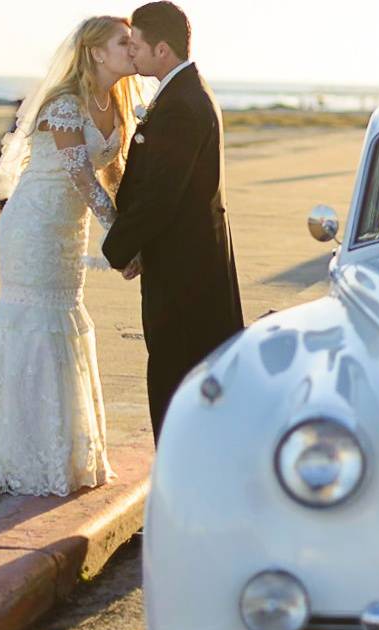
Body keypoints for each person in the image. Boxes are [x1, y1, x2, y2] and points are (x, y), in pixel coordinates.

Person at [0, 17, 144, 496]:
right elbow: (82, 177)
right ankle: (14, 445)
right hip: (33, 225)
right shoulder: (63, 104)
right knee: (34, 321)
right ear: (96, 52)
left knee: (61, 318)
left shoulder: (116, 104)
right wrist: (120, 240)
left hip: (68, 230)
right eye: (124, 42)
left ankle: (61, 446)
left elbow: (114, 173)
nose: (132, 48)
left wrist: (138, 232)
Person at [102, 1, 244, 443]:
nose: (133, 53)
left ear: (162, 50)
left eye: (138, 45)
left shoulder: (183, 104)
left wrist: (118, 248)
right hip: (189, 264)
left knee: (175, 375)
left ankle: (180, 478)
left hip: (186, 275)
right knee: (185, 376)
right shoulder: (184, 91)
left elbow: (161, 195)